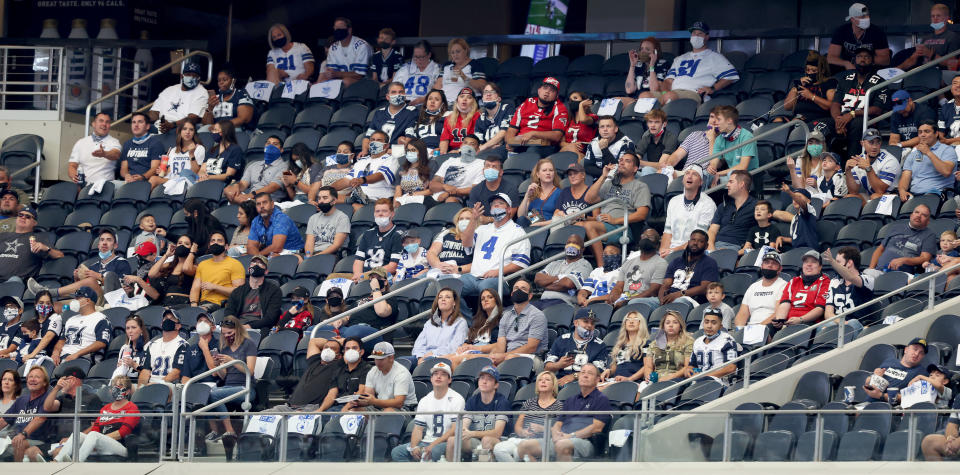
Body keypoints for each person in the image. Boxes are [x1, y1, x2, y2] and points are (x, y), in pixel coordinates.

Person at [44, 375, 139, 462]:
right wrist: (95, 441)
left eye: (120, 386)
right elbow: (95, 428)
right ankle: (56, 461)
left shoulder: (132, 408)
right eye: (114, 386)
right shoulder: (105, 408)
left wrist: (98, 440)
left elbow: (123, 432)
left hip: (121, 447)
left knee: (94, 435)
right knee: (78, 435)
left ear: (127, 391)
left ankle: (75, 462)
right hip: (101, 444)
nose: (115, 388)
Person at [581, 153, 650, 266]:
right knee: (578, 226)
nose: (621, 162)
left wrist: (615, 220)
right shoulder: (609, 184)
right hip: (603, 224)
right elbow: (589, 199)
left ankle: (601, 266)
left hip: (622, 228)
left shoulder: (640, 186)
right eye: (621, 160)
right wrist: (603, 176)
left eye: (627, 161)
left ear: (635, 168)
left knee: (588, 226)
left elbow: (642, 214)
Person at [460, 194, 531, 299]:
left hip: (499, 278)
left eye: (501, 204)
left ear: (509, 210)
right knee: (451, 287)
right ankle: (465, 315)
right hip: (473, 276)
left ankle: (490, 316)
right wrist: (473, 220)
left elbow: (521, 263)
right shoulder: (482, 229)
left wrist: (498, 271)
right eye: (493, 205)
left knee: (485, 287)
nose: (496, 206)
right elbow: (466, 243)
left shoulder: (517, 231)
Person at [391, 362, 465, 462]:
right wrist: (414, 447)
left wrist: (433, 444)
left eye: (443, 374)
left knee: (434, 451)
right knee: (397, 452)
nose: (438, 376)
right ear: (431, 378)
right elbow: (418, 429)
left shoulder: (457, 399)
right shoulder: (425, 400)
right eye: (435, 374)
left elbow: (454, 430)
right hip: (426, 441)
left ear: (449, 380)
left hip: (446, 442)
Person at [207, 316, 258, 456]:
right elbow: (224, 376)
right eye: (224, 334)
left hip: (246, 388)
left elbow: (250, 371)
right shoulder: (225, 348)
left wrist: (232, 360)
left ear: (237, 330)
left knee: (214, 394)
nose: (227, 336)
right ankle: (215, 431)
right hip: (228, 387)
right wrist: (218, 366)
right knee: (206, 393)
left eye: (229, 333)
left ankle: (229, 431)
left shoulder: (248, 344)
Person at [660, 22, 739, 105]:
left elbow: (731, 76)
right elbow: (668, 81)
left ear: (707, 37)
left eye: (700, 33)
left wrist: (713, 88)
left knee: (669, 97)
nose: (696, 36)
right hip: (672, 93)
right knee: (646, 95)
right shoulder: (680, 58)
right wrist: (663, 93)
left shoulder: (715, 57)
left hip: (693, 94)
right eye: (694, 33)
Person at [494, 371, 563, 462]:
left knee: (518, 452)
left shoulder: (559, 406)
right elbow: (518, 425)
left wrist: (542, 428)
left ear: (553, 385)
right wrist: (522, 432)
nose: (543, 382)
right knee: (499, 449)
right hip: (523, 439)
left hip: (544, 441)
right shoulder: (529, 402)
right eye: (540, 380)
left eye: (547, 380)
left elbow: (559, 431)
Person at [547, 363, 611, 461]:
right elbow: (558, 424)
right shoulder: (570, 400)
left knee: (562, 445)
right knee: (527, 446)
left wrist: (570, 436)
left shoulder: (601, 399)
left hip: (585, 442)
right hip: (562, 438)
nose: (585, 375)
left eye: (590, 373)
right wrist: (556, 435)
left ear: (598, 379)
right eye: (583, 372)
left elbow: (597, 428)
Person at [831, 46, 887, 156]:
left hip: (864, 119)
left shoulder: (879, 82)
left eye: (866, 57)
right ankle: (830, 162)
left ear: (872, 61)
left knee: (857, 123)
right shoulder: (845, 79)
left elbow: (877, 109)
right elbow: (835, 104)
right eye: (859, 56)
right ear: (854, 60)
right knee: (824, 125)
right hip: (842, 117)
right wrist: (838, 120)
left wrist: (852, 114)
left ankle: (853, 162)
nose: (862, 59)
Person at [451, 365, 509, 462]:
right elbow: (464, 426)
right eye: (482, 378)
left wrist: (472, 433)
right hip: (476, 440)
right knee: (452, 441)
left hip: (499, 442)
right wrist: (465, 431)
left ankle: (482, 470)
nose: (484, 381)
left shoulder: (502, 402)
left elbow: (497, 433)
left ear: (496, 385)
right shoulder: (472, 400)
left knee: (486, 440)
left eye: (489, 379)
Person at [343, 341, 417, 412]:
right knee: (354, 410)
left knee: (388, 412)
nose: (377, 362)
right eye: (375, 359)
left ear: (391, 358)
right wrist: (358, 401)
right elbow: (368, 397)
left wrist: (374, 401)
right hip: (380, 406)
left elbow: (399, 403)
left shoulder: (401, 373)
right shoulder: (373, 371)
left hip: (406, 408)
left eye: (381, 359)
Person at [505, 77, 569, 157]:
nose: (547, 92)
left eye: (552, 90)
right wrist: (510, 142)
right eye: (545, 88)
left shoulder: (560, 108)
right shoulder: (526, 103)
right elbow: (512, 129)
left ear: (556, 96)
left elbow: (557, 135)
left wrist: (533, 133)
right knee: (499, 152)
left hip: (543, 145)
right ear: (539, 90)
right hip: (520, 142)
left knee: (531, 152)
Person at [661, 164, 716, 256]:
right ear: (683, 179)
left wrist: (672, 251)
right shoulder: (673, 201)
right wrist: (663, 251)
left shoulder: (708, 204)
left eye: (694, 174)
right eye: (687, 173)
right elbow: (667, 232)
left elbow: (698, 239)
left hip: (693, 252)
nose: (689, 176)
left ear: (701, 182)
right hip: (671, 251)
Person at [545, 309, 609, 386]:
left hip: (585, 384)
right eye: (585, 321)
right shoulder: (562, 340)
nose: (589, 325)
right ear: (576, 323)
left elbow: (598, 371)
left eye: (592, 323)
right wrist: (558, 365)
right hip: (560, 382)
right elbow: (547, 367)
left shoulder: (600, 345)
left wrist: (574, 376)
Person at [771, 250, 831, 332]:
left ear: (820, 267)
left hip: (810, 322)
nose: (809, 264)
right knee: (768, 329)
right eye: (806, 262)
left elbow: (820, 309)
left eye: (813, 262)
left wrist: (800, 319)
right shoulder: (793, 281)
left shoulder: (825, 282)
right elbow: (785, 304)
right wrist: (780, 320)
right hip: (789, 322)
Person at [441, 289, 502, 368]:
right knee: (441, 359)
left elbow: (500, 345)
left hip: (486, 353)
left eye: (490, 297)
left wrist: (476, 348)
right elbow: (468, 341)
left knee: (453, 360)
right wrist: (463, 347)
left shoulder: (502, 319)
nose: (485, 300)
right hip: (471, 351)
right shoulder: (477, 321)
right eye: (482, 299)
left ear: (496, 300)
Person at [0, 366, 51, 462]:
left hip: (38, 440)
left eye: (37, 377)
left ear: (45, 382)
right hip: (15, 439)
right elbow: (4, 420)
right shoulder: (21, 400)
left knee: (20, 442)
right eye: (30, 377)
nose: (32, 379)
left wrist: (23, 434)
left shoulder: (47, 399)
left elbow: (40, 419)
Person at [658, 230, 719, 308]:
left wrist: (680, 294)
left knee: (677, 302)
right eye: (693, 240)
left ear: (706, 246)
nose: (695, 243)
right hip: (669, 298)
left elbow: (705, 288)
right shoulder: (676, 261)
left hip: (689, 299)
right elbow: (665, 285)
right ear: (688, 242)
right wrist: (661, 300)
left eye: (700, 241)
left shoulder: (709, 263)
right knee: (639, 302)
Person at [898, 120, 957, 201]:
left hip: (938, 195)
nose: (922, 135)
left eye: (927, 131)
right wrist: (902, 191)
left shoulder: (947, 150)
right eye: (920, 132)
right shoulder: (913, 154)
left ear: (936, 134)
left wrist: (928, 152)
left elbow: (946, 171)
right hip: (915, 196)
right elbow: (905, 176)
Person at [0, 206, 61, 283]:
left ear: (34, 223)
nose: (23, 217)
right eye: (20, 215)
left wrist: (46, 248)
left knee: (14, 280)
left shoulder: (38, 238)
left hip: (15, 282)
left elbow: (59, 255)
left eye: (28, 217)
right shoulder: (3, 236)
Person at [870, 204, 937, 274]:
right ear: (911, 215)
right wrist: (871, 268)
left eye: (924, 215)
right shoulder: (896, 227)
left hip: (901, 275)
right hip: (878, 271)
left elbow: (925, 258)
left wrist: (905, 260)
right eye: (916, 212)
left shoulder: (930, 235)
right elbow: (880, 249)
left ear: (928, 221)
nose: (919, 216)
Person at [49, 287, 109, 365]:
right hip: (63, 359)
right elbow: (61, 341)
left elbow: (101, 343)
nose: (74, 301)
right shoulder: (70, 319)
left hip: (84, 360)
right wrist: (55, 354)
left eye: (78, 298)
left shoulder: (101, 319)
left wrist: (77, 354)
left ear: (88, 300)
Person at [222, 255, 282, 330]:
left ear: (266, 271)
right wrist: (232, 325)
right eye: (253, 262)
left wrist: (249, 327)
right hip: (238, 327)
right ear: (248, 269)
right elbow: (229, 312)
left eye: (260, 263)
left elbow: (270, 318)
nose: (256, 265)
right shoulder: (238, 291)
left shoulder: (274, 290)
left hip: (259, 328)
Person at [534, 233, 593, 308]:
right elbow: (537, 278)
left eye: (575, 243)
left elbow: (567, 284)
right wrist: (560, 278)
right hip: (542, 300)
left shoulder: (584, 265)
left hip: (562, 303)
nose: (571, 245)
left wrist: (546, 286)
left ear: (582, 249)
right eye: (568, 243)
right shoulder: (554, 263)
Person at [822, 247, 874, 331]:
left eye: (838, 262)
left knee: (852, 323)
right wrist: (842, 323)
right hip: (838, 323)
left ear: (849, 263)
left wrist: (832, 261)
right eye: (835, 262)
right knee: (822, 327)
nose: (835, 266)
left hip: (859, 324)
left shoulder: (868, 279)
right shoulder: (834, 282)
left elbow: (851, 277)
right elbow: (828, 313)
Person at [863, 337, 928, 403]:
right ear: (906, 350)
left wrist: (881, 395)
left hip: (888, 408)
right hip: (867, 403)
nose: (916, 354)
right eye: (915, 349)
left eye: (921, 353)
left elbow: (914, 398)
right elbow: (868, 382)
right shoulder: (889, 361)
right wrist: (874, 377)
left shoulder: (921, 373)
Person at [224, 136, 287, 204]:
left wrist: (250, 195)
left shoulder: (285, 167)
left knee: (239, 200)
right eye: (268, 143)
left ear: (281, 150)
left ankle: (244, 203)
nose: (270, 146)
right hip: (250, 198)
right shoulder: (254, 165)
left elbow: (273, 187)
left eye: (275, 144)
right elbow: (243, 184)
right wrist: (237, 186)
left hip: (269, 200)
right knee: (227, 190)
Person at [828, 3, 891, 70]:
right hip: (847, 70)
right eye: (863, 17)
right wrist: (846, 63)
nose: (867, 19)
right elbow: (831, 58)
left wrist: (864, 60)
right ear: (852, 19)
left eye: (868, 15)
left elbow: (885, 60)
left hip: (871, 69)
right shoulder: (841, 31)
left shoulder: (878, 33)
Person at [191, 231, 245, 310]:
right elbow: (195, 288)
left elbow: (238, 292)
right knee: (170, 313)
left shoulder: (235, 264)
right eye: (213, 241)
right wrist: (193, 305)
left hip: (222, 305)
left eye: (219, 241)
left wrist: (215, 287)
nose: (215, 243)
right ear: (209, 246)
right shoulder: (202, 264)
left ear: (226, 246)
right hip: (202, 305)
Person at [733, 252, 789, 328]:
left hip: (770, 327)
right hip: (750, 328)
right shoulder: (753, 287)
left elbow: (778, 313)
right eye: (766, 262)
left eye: (774, 263)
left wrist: (758, 328)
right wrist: (740, 329)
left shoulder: (784, 285)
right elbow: (742, 314)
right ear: (761, 266)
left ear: (780, 269)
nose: (770, 265)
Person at [682, 311, 740, 383]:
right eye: (706, 322)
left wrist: (705, 376)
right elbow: (693, 366)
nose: (709, 326)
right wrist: (689, 370)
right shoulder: (698, 341)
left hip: (719, 382)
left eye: (714, 323)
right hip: (699, 380)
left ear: (720, 326)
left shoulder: (727, 340)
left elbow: (731, 368)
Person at [783, 53, 838, 129]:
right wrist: (796, 88)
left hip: (816, 118)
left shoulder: (829, 82)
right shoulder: (803, 83)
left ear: (821, 70)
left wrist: (811, 96)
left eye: (814, 70)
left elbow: (831, 106)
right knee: (777, 120)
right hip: (798, 117)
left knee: (796, 124)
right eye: (807, 70)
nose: (810, 73)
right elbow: (787, 107)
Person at [352, 198, 404, 280]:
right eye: (377, 211)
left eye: (384, 211)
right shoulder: (367, 234)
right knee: (332, 278)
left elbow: (393, 266)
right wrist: (358, 275)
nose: (380, 214)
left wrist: (365, 275)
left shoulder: (398, 235)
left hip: (381, 277)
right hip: (362, 276)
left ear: (392, 214)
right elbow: (358, 260)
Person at [149, 62, 207, 134]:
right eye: (188, 74)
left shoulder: (201, 92)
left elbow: (193, 118)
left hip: (178, 128)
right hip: (160, 125)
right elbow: (154, 112)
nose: (191, 77)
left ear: (199, 79)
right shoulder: (170, 90)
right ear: (182, 76)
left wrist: (172, 125)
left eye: (195, 76)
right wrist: (145, 120)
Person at [363, 82, 419, 156]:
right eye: (393, 92)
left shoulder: (412, 111)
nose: (397, 95)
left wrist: (391, 151)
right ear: (387, 97)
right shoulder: (379, 112)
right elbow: (368, 136)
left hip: (397, 154)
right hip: (377, 153)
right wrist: (364, 151)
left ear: (405, 95)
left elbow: (409, 139)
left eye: (401, 92)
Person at [707, 170, 758, 251]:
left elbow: (776, 214)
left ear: (741, 184)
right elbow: (712, 231)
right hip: (715, 246)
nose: (727, 185)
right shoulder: (723, 205)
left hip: (737, 248)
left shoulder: (757, 205)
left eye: (731, 182)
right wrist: (712, 249)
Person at [412, 288, 468, 361]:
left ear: (454, 302)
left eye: (447, 297)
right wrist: (420, 357)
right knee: (403, 361)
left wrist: (433, 353)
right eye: (440, 297)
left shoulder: (461, 323)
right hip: (423, 357)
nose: (443, 299)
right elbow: (419, 344)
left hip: (443, 358)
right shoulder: (429, 323)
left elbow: (455, 347)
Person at [706, 106, 757, 186]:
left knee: (728, 178)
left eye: (719, 119)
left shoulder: (746, 136)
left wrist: (719, 174)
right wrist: (711, 168)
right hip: (730, 174)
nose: (715, 123)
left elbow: (743, 167)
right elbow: (714, 164)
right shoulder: (719, 138)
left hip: (747, 174)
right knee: (704, 176)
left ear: (729, 121)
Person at [844, 128, 900, 200]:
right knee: (850, 198)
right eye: (871, 142)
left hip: (894, 197)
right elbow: (853, 191)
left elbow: (880, 190)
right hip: (872, 197)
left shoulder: (889, 160)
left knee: (875, 197)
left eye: (878, 142)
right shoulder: (859, 159)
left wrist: (868, 169)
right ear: (862, 143)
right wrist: (848, 171)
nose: (874, 146)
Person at [345, 131, 400, 205]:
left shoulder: (391, 159)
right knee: (330, 196)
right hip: (357, 198)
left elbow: (380, 175)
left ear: (386, 146)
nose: (374, 142)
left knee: (355, 206)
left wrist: (362, 180)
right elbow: (346, 180)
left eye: (379, 140)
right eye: (372, 140)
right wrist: (329, 189)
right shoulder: (361, 160)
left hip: (379, 200)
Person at [68, 112, 121, 184]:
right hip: (84, 186)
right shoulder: (81, 142)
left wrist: (104, 154)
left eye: (107, 122)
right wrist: (75, 177)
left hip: (106, 186)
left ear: (109, 126)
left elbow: (116, 154)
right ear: (93, 124)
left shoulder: (114, 142)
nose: (104, 124)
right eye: (101, 121)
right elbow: (72, 166)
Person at [246, 192, 305, 256]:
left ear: (272, 204)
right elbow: (250, 246)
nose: (261, 206)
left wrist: (259, 256)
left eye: (265, 202)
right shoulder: (256, 221)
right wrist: (256, 257)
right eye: (258, 204)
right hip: (273, 254)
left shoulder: (281, 218)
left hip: (294, 253)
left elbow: (277, 247)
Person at [316, 17, 371, 86]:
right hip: (341, 79)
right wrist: (329, 75)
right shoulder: (333, 48)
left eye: (340, 28)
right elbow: (331, 72)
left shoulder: (361, 45)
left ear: (349, 30)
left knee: (345, 82)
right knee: (321, 83)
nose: (337, 30)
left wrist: (337, 74)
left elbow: (360, 74)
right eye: (336, 28)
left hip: (365, 81)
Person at [138, 308, 186, 385]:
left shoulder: (182, 345)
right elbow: (145, 371)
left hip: (170, 385)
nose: (168, 320)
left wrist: (158, 384)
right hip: (151, 385)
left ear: (178, 326)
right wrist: (140, 389)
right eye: (165, 318)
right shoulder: (152, 344)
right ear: (161, 323)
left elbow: (177, 372)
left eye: (172, 319)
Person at [663, 110, 720, 175]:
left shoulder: (723, 141)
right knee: (662, 172)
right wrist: (669, 164)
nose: (713, 121)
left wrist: (712, 139)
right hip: (685, 172)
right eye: (712, 117)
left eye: (718, 119)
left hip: (702, 173)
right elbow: (677, 155)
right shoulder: (695, 134)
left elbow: (717, 165)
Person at [643, 311, 695, 382]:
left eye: (675, 322)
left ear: (680, 326)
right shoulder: (654, 344)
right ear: (663, 326)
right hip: (656, 380)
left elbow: (687, 367)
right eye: (667, 323)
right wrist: (648, 376)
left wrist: (669, 378)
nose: (671, 325)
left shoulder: (688, 342)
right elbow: (648, 366)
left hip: (677, 379)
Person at [620, 229, 667, 305]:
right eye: (644, 236)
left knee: (633, 302)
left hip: (644, 301)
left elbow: (653, 290)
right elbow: (618, 286)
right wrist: (614, 297)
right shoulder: (628, 262)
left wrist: (628, 300)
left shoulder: (661, 263)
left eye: (650, 237)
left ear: (657, 244)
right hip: (626, 298)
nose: (646, 239)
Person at [151, 120, 203, 189]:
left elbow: (195, 172)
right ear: (179, 132)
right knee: (153, 179)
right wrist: (164, 172)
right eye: (184, 129)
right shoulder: (173, 150)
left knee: (154, 180)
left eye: (191, 130)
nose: (187, 132)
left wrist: (191, 154)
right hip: (172, 180)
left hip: (187, 180)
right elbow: (170, 171)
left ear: (194, 133)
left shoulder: (199, 148)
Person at [147, 234, 197, 306]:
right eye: (179, 243)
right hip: (167, 302)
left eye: (186, 244)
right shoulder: (169, 265)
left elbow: (186, 268)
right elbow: (151, 274)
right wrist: (166, 255)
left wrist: (192, 253)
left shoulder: (194, 267)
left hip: (183, 303)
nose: (182, 245)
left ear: (191, 247)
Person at [599, 311, 650, 382]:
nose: (631, 322)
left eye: (635, 319)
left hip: (634, 382)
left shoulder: (645, 344)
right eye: (628, 319)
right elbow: (615, 366)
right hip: (616, 380)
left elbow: (647, 366)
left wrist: (629, 379)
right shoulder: (620, 345)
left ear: (641, 324)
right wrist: (609, 371)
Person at [432, 135, 484, 202]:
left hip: (458, 198)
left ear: (478, 150)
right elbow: (432, 185)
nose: (467, 146)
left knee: (451, 200)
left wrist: (450, 192)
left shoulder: (481, 164)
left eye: (472, 144)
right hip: (435, 196)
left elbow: (476, 189)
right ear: (461, 146)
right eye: (465, 143)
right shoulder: (449, 161)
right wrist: (444, 186)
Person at [435, 38, 486, 106]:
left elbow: (482, 87)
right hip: (443, 103)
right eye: (452, 52)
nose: (455, 55)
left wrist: (464, 77)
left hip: (462, 104)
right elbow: (437, 87)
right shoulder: (446, 65)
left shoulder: (474, 65)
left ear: (465, 50)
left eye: (458, 51)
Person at [426, 207, 474, 276]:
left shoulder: (478, 236)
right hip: (439, 269)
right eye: (461, 219)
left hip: (460, 272)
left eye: (468, 219)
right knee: (416, 282)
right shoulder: (447, 232)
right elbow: (431, 252)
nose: (464, 221)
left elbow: (478, 263)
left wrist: (458, 269)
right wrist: (437, 264)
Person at [118, 112, 163, 185]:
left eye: (140, 122)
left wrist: (143, 177)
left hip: (146, 182)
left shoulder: (155, 143)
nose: (136, 125)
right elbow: (123, 169)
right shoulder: (127, 144)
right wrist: (126, 175)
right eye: (133, 122)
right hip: (128, 181)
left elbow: (155, 168)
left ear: (147, 126)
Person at [304, 186, 349, 258]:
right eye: (319, 198)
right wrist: (308, 256)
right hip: (314, 254)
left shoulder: (342, 218)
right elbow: (309, 243)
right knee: (296, 259)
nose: (321, 201)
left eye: (325, 198)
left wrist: (316, 257)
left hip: (332, 255)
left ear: (334, 201)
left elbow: (336, 245)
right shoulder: (313, 218)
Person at [392, 40, 441, 106]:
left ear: (429, 55)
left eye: (421, 57)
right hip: (403, 104)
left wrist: (423, 99)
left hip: (425, 105)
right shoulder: (405, 68)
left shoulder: (437, 69)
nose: (418, 60)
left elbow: (439, 91)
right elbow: (394, 87)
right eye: (415, 57)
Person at [623, 36, 670, 104]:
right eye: (642, 49)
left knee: (644, 96)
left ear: (655, 52)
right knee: (614, 101)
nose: (643, 51)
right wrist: (632, 65)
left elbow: (654, 90)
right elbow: (629, 90)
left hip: (650, 100)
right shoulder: (638, 64)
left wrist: (651, 66)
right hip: (634, 100)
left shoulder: (663, 64)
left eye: (647, 49)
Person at [19, 291, 62, 363]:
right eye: (41, 303)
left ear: (51, 305)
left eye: (48, 303)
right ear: (35, 304)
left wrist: (32, 355)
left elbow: (48, 337)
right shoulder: (33, 321)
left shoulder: (56, 318)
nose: (44, 306)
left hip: (48, 357)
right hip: (31, 358)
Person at [772, 186, 820, 251]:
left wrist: (789, 192)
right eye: (793, 198)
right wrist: (783, 239)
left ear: (808, 201)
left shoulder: (810, 211)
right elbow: (797, 239)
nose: (795, 199)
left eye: (799, 197)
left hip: (809, 251)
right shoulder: (795, 218)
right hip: (797, 252)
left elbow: (803, 204)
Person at [517, 158, 562, 226]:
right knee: (521, 220)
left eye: (551, 170)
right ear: (538, 174)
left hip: (547, 228)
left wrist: (538, 224)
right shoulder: (534, 191)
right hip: (531, 225)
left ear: (554, 174)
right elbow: (520, 216)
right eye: (544, 170)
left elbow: (560, 219)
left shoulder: (559, 193)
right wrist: (527, 196)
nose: (548, 173)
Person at [475, 83, 515, 157]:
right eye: (486, 92)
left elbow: (503, 133)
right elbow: (479, 143)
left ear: (499, 98)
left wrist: (484, 147)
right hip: (487, 152)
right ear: (482, 99)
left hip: (505, 149)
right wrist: (488, 148)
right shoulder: (481, 119)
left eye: (492, 92)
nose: (488, 94)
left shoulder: (507, 108)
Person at [636, 110, 679, 175]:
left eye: (657, 122)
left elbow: (661, 165)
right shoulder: (646, 137)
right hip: (650, 171)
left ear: (664, 124)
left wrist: (639, 163)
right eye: (650, 122)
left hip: (668, 173)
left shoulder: (671, 138)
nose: (652, 125)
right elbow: (635, 158)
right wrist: (636, 161)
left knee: (647, 169)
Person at [394, 139, 434, 207]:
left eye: (413, 150)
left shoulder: (431, 165)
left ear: (421, 152)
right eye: (408, 150)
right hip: (405, 201)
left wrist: (412, 194)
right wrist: (396, 206)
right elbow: (398, 191)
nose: (410, 153)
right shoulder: (402, 168)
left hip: (424, 201)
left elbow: (432, 190)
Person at [439, 89, 481, 154]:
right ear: (457, 101)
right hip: (452, 152)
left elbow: (475, 142)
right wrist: (443, 154)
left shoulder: (477, 116)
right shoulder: (449, 118)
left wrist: (459, 151)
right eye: (462, 96)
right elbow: (444, 140)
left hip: (470, 152)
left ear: (474, 102)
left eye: (469, 97)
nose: (464, 99)